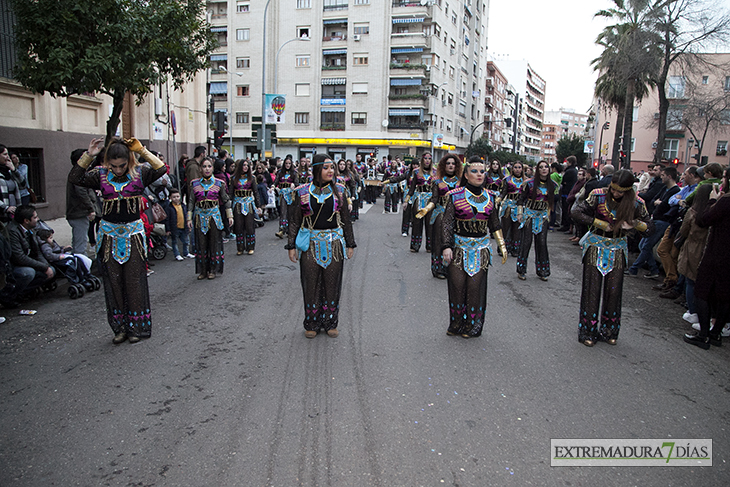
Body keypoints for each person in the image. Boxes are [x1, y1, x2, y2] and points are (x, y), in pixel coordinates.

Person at [69, 137, 167, 344]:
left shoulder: (140, 173)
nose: (118, 169)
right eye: (113, 166)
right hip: (108, 236)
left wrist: (141, 150)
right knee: (113, 281)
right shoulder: (100, 174)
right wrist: (89, 155)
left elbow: (161, 170)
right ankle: (119, 328)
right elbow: (75, 177)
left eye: (122, 165)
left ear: (129, 160)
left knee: (134, 282)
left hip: (133, 235)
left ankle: (136, 328)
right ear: (107, 163)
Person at [572, 169, 651, 346]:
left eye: (620, 191)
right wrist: (599, 223)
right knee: (592, 290)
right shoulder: (597, 195)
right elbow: (576, 212)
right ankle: (588, 331)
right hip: (595, 246)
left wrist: (635, 224)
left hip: (618, 248)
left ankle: (609, 330)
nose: (616, 194)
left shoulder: (637, 203)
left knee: (614, 291)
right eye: (613, 189)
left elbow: (650, 227)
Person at [286, 154, 356, 338]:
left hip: (334, 244)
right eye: (326, 168)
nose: (331, 171)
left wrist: (350, 243)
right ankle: (312, 323)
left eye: (332, 167)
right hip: (310, 244)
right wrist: (291, 245)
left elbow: (346, 221)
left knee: (332, 284)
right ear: (316, 169)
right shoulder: (301, 192)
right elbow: (294, 220)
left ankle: (330, 321)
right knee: (310, 284)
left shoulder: (340, 190)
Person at [441, 156, 507, 338]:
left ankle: (473, 325)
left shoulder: (491, 197)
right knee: (457, 286)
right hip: (458, 248)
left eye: (482, 171)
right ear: (466, 174)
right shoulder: (454, 195)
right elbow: (447, 223)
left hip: (480, 249)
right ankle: (456, 323)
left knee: (475, 288)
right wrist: (446, 246)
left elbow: (495, 224)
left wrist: (502, 244)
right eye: (474, 171)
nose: (479, 175)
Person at [683, 169, 730, 349]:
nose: (722, 180)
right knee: (725, 295)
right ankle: (716, 333)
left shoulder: (725, 201)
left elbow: (704, 219)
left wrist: (713, 199)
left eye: (725, 177)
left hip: (717, 253)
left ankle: (703, 335)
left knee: (702, 291)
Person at [416, 153, 462, 278]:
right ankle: (439, 269)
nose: (451, 165)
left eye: (453, 163)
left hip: (457, 216)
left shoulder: (461, 182)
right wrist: (426, 209)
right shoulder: (437, 181)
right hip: (440, 214)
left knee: (455, 241)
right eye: (448, 163)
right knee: (439, 242)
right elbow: (434, 198)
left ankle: (452, 269)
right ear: (443, 165)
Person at [188, 158, 233, 279]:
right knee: (201, 244)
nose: (207, 169)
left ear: (212, 168)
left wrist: (230, 216)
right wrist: (188, 218)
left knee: (214, 243)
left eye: (209, 166)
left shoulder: (219, 183)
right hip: (199, 217)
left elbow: (226, 200)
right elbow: (191, 201)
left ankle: (213, 269)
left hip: (214, 217)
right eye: (204, 166)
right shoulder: (194, 183)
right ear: (200, 169)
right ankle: (203, 270)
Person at [516, 160, 556, 281]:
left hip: (543, 217)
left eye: (546, 167)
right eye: (541, 167)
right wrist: (520, 213)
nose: (544, 169)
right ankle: (521, 270)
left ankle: (543, 271)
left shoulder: (553, 185)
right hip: (529, 216)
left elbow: (551, 202)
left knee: (542, 242)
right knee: (526, 242)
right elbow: (521, 199)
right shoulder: (529, 183)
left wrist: (548, 215)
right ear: (537, 170)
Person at [6, 205, 55, 296]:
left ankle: (28, 291)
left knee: (51, 270)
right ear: (26, 221)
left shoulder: (30, 229)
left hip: (28, 262)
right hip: (14, 266)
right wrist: (43, 267)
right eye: (35, 217)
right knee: (28, 273)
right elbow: (19, 258)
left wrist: (46, 266)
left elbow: (37, 251)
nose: (37, 219)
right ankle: (14, 295)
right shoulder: (13, 231)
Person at [66, 149, 98, 255]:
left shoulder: (78, 172)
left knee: (78, 242)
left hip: (78, 212)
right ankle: (81, 268)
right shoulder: (78, 173)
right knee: (80, 245)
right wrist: (91, 209)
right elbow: (82, 192)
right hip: (78, 212)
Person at [404, 153, 435, 252]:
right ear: (422, 160)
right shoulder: (416, 172)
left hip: (430, 200)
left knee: (430, 223)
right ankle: (415, 246)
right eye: (425, 158)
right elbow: (412, 188)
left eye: (429, 159)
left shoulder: (436, 172)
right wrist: (406, 200)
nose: (427, 160)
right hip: (419, 198)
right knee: (417, 223)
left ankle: (430, 246)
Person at [229, 159, 261, 255]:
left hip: (248, 204)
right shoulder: (233, 178)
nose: (246, 167)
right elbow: (230, 194)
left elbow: (256, 192)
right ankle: (240, 248)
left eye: (247, 165)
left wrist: (258, 206)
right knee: (239, 226)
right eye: (244, 165)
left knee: (249, 226)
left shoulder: (252, 178)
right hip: (237, 204)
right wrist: (229, 208)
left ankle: (250, 247)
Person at [498, 161, 525, 257]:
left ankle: (515, 249)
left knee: (517, 229)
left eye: (519, 167)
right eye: (515, 167)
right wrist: (498, 199)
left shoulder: (526, 181)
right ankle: (503, 248)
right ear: (512, 169)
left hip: (520, 207)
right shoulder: (507, 180)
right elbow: (503, 192)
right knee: (505, 228)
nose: (517, 169)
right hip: (508, 207)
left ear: (522, 169)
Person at [164, 189, 194, 261]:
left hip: (184, 226)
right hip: (174, 228)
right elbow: (167, 219)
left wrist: (189, 225)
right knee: (175, 242)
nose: (176, 198)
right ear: (170, 198)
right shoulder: (169, 208)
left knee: (186, 241)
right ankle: (177, 254)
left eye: (177, 196)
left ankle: (186, 253)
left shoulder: (183, 206)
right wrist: (168, 229)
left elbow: (187, 216)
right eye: (174, 197)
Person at [274, 157, 297, 239]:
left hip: (291, 194)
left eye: (289, 163)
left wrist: (294, 184)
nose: (287, 165)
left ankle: (290, 230)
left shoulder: (294, 173)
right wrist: (273, 186)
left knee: (290, 213)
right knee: (283, 212)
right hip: (283, 194)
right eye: (286, 163)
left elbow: (297, 183)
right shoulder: (280, 172)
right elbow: (276, 181)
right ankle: (281, 230)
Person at [0, 144, 21, 224]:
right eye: (5, 154)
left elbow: (23, 185)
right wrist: (5, 208)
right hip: (2, 214)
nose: (8, 157)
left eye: (8, 154)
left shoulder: (9, 171)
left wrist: (14, 170)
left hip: (14, 213)